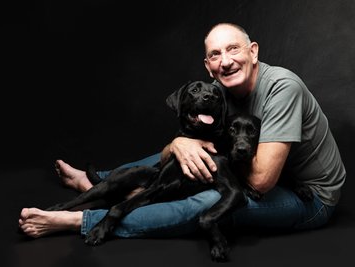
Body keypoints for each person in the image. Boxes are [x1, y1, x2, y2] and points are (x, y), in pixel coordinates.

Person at [19, 23, 346, 239]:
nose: (226, 61)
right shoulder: (220, 92)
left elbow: (261, 180)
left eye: (234, 49)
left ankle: (82, 221)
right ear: (208, 66)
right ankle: (98, 181)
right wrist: (179, 144)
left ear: (253, 51)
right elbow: (189, 148)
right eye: (215, 55)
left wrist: (195, 160)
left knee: (206, 200)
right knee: (178, 157)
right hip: (255, 170)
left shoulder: (282, 88)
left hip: (309, 197)